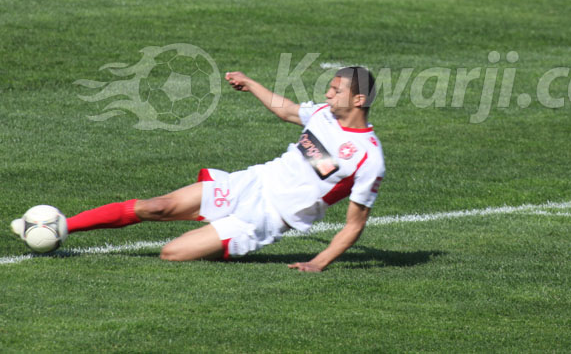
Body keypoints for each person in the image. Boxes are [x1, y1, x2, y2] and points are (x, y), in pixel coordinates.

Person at [13, 66, 385, 272]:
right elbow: (287, 110)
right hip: (250, 182)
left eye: (335, 90)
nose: (327, 94)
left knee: (172, 254)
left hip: (266, 217)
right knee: (156, 206)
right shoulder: (322, 114)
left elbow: (355, 223)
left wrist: (318, 262)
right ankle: (62, 226)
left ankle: (215, 229)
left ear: (358, 99)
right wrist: (251, 84)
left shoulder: (368, 157)